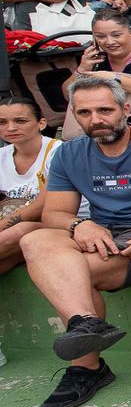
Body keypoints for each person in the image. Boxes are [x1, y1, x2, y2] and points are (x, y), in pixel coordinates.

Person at [21, 76, 131, 407]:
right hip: (103, 235)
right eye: (84, 112)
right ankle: (86, 324)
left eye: (104, 110)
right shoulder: (70, 153)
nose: (95, 119)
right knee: (36, 238)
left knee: (69, 276)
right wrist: (80, 224)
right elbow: (55, 213)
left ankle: (85, 366)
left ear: (125, 109)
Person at [0, 96, 66, 276]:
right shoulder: (1, 156)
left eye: (20, 121)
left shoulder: (60, 152)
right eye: (2, 122)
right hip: (13, 232)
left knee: (21, 230)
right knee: (7, 260)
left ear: (41, 123)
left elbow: (42, 206)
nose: (11, 128)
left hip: (58, 225)